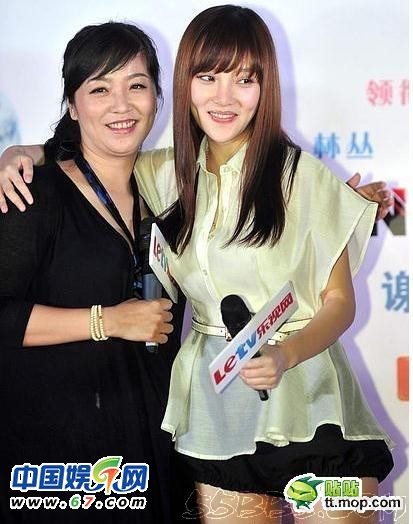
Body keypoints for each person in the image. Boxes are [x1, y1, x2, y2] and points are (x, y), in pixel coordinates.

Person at [0, 6, 395, 523]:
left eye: (244, 79)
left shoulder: (300, 175)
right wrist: (19, 152)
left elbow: (340, 302)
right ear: (185, 84)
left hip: (311, 399)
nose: (224, 97)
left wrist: (286, 353)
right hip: (213, 412)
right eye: (208, 77)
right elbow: (93, 151)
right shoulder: (169, 175)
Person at [0, 21, 187, 524]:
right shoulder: (32, 194)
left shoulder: (170, 197)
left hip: (155, 447)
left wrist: (340, 211)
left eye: (136, 85)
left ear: (157, 97)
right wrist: (107, 320)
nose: (121, 105)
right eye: (100, 89)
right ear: (72, 104)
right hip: (59, 462)